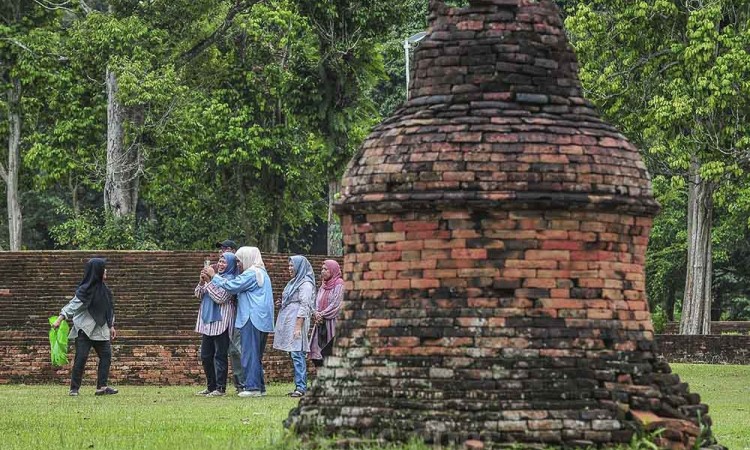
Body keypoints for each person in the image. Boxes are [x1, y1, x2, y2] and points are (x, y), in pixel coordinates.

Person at [207, 246, 274, 397]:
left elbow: (232, 286)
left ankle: (252, 388)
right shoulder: (262, 273)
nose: (238, 264)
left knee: (249, 354)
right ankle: (259, 387)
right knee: (256, 355)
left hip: (251, 318)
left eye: (239, 261)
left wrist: (214, 276)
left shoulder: (251, 274)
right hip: (262, 320)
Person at [51, 258, 118, 396]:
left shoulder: (105, 291)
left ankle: (102, 387)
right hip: (84, 331)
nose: (106, 270)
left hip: (101, 330)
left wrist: (111, 326)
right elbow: (72, 306)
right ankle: (74, 389)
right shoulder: (85, 290)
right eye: (103, 268)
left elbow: (109, 309)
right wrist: (59, 319)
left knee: (106, 356)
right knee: (81, 358)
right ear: (96, 271)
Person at [194, 252, 239, 397]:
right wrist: (202, 282)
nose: (220, 264)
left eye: (224, 262)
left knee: (220, 356)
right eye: (219, 261)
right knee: (206, 355)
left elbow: (220, 297)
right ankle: (210, 386)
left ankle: (220, 388)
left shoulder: (231, 280)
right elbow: (198, 294)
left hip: (222, 322)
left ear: (231, 265)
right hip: (208, 322)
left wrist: (209, 281)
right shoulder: (213, 279)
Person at [274, 255, 315, 398]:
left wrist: (298, 326)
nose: (290, 268)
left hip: (297, 322)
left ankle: (301, 387)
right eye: (289, 265)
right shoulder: (294, 282)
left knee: (298, 353)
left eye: (293, 266)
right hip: (289, 320)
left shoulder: (305, 284)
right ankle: (298, 385)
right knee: (294, 353)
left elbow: (304, 305)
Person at [210, 238, 244, 393]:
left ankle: (241, 384)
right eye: (221, 250)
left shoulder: (239, 272)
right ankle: (216, 386)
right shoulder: (219, 272)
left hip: (235, 316)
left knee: (235, 350)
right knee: (218, 352)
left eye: (225, 249)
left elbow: (223, 296)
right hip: (218, 317)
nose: (221, 252)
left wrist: (212, 280)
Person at [309, 259, 344, 367]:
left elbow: (336, 305)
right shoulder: (323, 286)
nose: (323, 271)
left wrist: (322, 314)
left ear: (333, 270)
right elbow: (316, 303)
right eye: (322, 269)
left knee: (332, 352)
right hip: (320, 324)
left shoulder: (339, 285)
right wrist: (316, 313)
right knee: (317, 354)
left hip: (333, 323)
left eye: (326, 269)